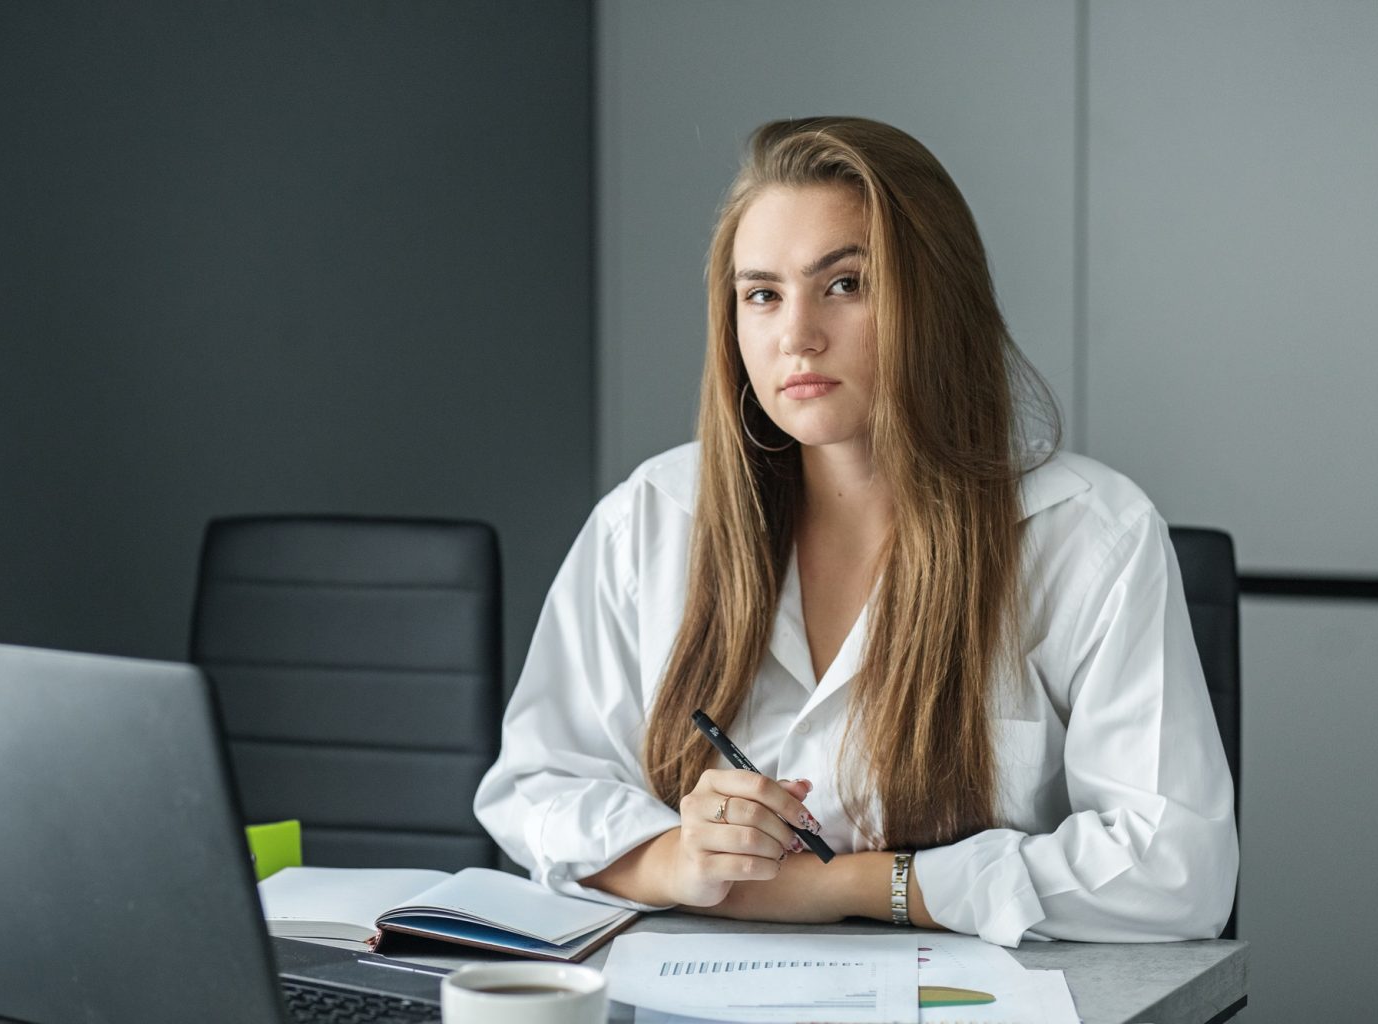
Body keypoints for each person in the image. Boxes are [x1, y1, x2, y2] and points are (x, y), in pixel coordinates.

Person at [474, 116, 1238, 946]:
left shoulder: (1089, 534)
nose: (796, 335)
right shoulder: (653, 516)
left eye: (844, 285)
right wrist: (673, 861)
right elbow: (536, 787)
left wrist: (860, 886)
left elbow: (1177, 870)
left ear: (936, 300)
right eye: (762, 294)